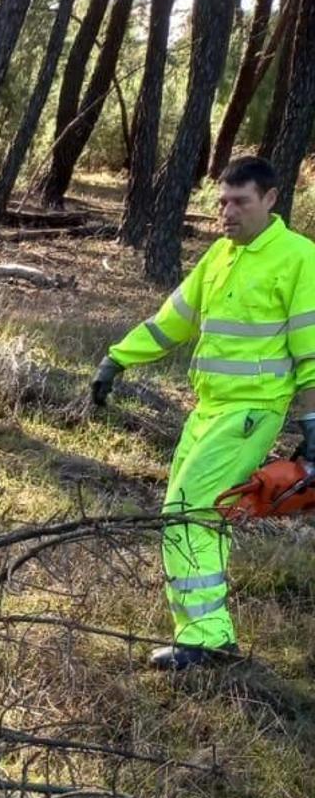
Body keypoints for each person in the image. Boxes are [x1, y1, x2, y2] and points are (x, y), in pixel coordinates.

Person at [91, 156, 315, 670]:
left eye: (240, 202)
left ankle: (207, 639)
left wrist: (312, 425)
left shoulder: (299, 258)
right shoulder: (218, 256)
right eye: (222, 202)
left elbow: (311, 352)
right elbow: (172, 321)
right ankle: (207, 635)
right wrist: (116, 359)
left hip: (252, 412)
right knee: (195, 514)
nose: (227, 213)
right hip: (207, 410)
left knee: (187, 511)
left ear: (271, 199)